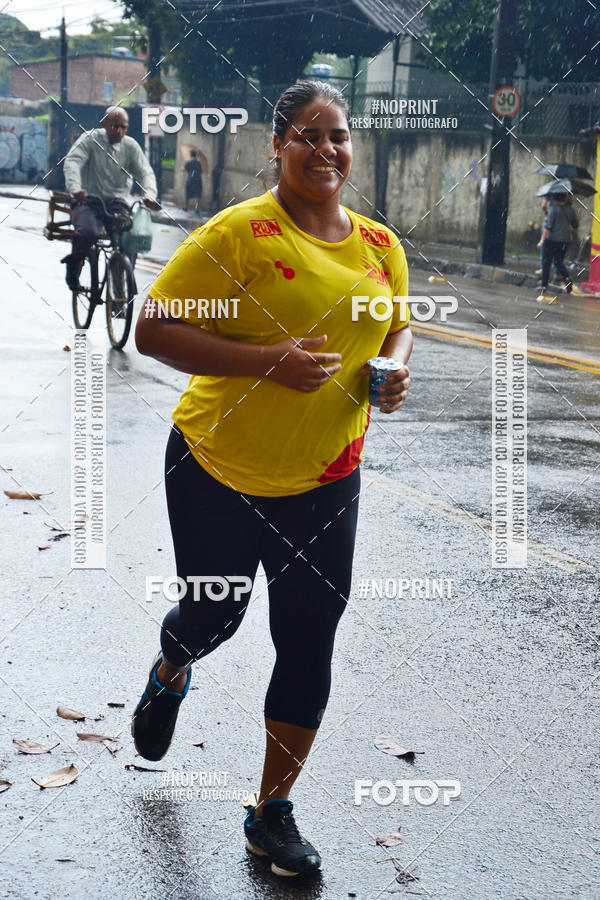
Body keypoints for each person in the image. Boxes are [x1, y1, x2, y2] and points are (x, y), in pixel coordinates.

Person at [131, 81, 413, 878]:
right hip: (218, 468)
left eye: (340, 136)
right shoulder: (241, 235)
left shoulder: (380, 246)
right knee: (215, 619)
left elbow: (398, 325)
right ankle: (169, 670)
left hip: (328, 479)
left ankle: (271, 813)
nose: (327, 150)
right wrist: (269, 364)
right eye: (308, 136)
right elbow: (153, 328)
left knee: (308, 636)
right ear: (278, 147)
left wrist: (391, 370)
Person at [62, 106, 158, 290]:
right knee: (88, 233)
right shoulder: (90, 139)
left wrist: (150, 195)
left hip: (117, 201)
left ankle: (121, 288)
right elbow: (73, 162)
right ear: (104, 124)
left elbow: (146, 173)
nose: (119, 131)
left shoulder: (130, 146)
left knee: (129, 239)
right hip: (88, 199)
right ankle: (73, 266)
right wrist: (75, 188)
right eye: (115, 126)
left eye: (123, 127)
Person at [537, 192, 579, 296]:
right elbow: (575, 225)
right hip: (564, 241)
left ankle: (544, 286)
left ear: (554, 199)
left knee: (546, 263)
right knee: (558, 262)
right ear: (565, 197)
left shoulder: (553, 210)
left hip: (551, 240)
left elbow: (548, 228)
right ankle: (567, 279)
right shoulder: (570, 210)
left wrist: (541, 241)